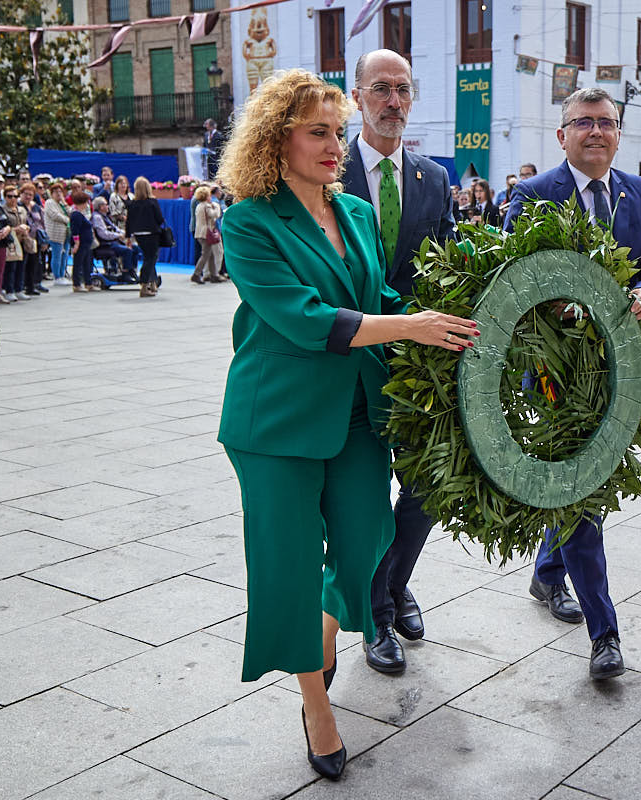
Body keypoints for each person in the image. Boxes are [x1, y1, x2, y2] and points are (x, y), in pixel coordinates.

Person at [215, 68, 477, 781]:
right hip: (277, 424)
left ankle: (323, 636)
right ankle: (316, 705)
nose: (336, 146)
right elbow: (302, 319)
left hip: (360, 411)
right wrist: (410, 324)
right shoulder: (248, 220)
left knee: (366, 546)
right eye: (318, 133)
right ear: (278, 140)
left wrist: (456, 311)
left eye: (337, 132)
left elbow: (378, 293)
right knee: (290, 567)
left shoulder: (355, 213)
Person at [504, 85, 641, 679]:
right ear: (563, 135)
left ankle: (549, 573)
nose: (596, 131)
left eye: (607, 122)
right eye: (584, 122)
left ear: (619, 133)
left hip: (619, 368)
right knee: (582, 491)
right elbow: (511, 279)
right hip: (554, 375)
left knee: (582, 486)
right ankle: (606, 635)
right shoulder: (531, 195)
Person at [342, 48, 456, 676]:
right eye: (380, 88)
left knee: (425, 487)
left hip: (417, 366)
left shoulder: (433, 180)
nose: (393, 100)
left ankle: (393, 585)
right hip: (347, 360)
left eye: (403, 89)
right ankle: (375, 612)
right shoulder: (327, 175)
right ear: (356, 96)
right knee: (362, 497)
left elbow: (442, 272)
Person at [126, 177, 165, 297]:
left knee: (149, 258)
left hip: (139, 234)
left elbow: (129, 221)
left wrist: (128, 236)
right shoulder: (152, 202)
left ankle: (152, 283)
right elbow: (159, 218)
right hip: (152, 234)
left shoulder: (132, 203)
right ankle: (144, 284)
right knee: (150, 259)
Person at [91, 196, 138, 276]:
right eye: (106, 204)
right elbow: (103, 234)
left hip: (112, 242)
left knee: (135, 247)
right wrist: (118, 235)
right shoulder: (97, 217)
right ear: (101, 207)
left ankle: (132, 270)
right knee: (128, 251)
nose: (108, 206)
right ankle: (125, 273)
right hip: (105, 245)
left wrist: (126, 233)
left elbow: (115, 228)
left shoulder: (105, 216)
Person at [19, 182, 48, 295]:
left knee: (35, 262)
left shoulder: (36, 206)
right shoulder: (19, 206)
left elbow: (42, 221)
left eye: (30, 194)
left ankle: (32, 286)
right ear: (21, 194)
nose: (28, 197)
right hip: (24, 238)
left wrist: (45, 238)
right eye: (25, 194)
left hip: (36, 238)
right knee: (24, 263)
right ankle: (22, 286)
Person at [191, 185, 224, 284]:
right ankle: (196, 274)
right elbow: (215, 215)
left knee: (210, 255)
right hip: (206, 233)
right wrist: (217, 207)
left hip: (200, 233)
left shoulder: (199, 205)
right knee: (205, 255)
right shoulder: (207, 206)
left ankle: (214, 275)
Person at [0, 185, 28, 301]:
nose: (13, 199)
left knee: (21, 267)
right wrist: (17, 229)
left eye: (15, 196)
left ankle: (19, 289)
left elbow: (26, 222)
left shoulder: (22, 210)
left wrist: (26, 228)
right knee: (10, 268)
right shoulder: (3, 210)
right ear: (5, 197)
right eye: (10, 196)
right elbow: (3, 226)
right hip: (10, 242)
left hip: (22, 240)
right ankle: (9, 290)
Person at [43, 182, 70, 286]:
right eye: (55, 192)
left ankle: (62, 275)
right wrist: (67, 220)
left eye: (60, 191)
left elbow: (71, 212)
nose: (58, 194)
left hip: (66, 234)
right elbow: (55, 215)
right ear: (51, 193)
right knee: (57, 255)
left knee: (65, 255)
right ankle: (57, 276)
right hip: (55, 234)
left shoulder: (62, 203)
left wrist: (65, 203)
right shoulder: (49, 203)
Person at [68, 190, 94, 292]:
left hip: (86, 243)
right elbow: (75, 230)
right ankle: (76, 284)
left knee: (87, 263)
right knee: (78, 263)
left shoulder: (81, 214)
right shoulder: (76, 214)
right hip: (81, 243)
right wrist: (76, 243)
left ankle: (88, 283)